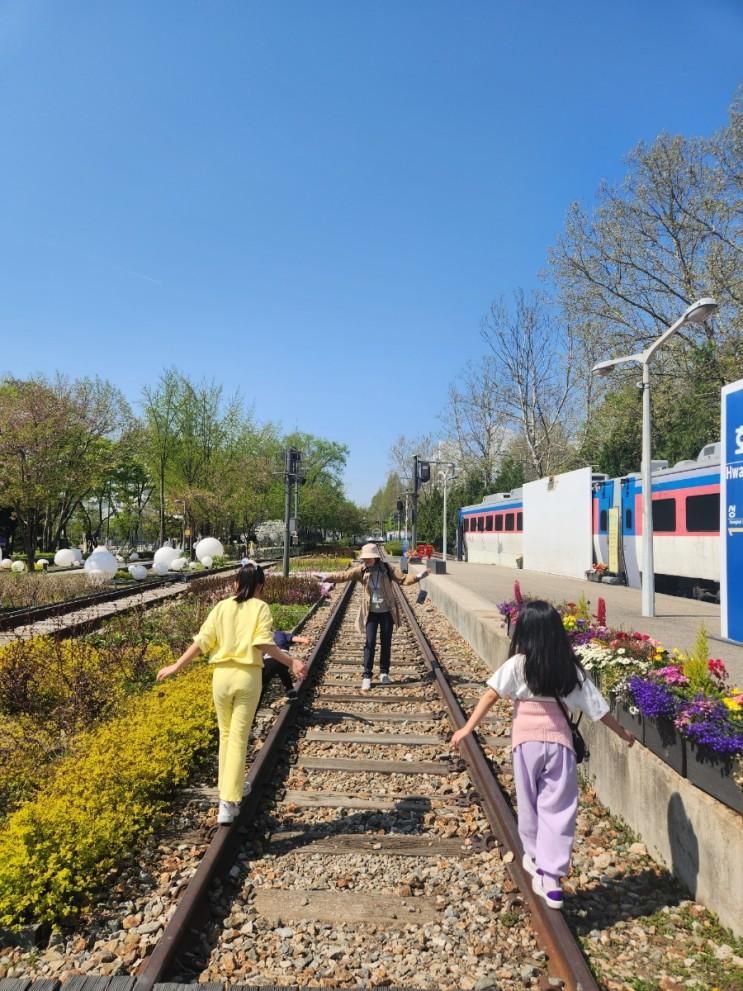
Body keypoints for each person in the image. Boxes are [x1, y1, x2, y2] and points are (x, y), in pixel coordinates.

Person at [451, 599, 634, 910]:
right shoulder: (569, 668)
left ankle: (534, 856)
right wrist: (624, 734)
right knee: (559, 807)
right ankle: (552, 876)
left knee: (529, 801)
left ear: (524, 631)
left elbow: (491, 694)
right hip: (559, 745)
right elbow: (599, 710)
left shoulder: (518, 664)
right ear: (555, 633)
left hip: (526, 745)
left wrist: (467, 728)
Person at [156, 563, 308, 825]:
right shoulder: (260, 607)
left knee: (226, 736)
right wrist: (291, 662)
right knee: (238, 738)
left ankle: (231, 788)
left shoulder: (222, 607)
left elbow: (202, 642)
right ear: (261, 585)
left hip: (221, 678)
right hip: (247, 677)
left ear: (236, 583)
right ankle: (228, 802)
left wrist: (176, 666)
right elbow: (262, 642)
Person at [317, 543, 428, 691]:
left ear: (376, 558)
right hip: (370, 613)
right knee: (369, 643)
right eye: (365, 558)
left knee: (386, 643)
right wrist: (326, 577)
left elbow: (403, 579)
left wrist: (419, 576)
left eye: (369, 558)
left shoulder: (388, 569)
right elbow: (344, 575)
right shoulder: (361, 571)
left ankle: (384, 673)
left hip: (387, 612)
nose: (366, 560)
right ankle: (367, 676)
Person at [260, 630, 312, 699]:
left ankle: (257, 698)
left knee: (262, 680)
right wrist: (304, 640)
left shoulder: (265, 635)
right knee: (284, 673)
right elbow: (293, 638)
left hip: (269, 658)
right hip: (284, 658)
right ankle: (290, 691)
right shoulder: (281, 634)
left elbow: (262, 650)